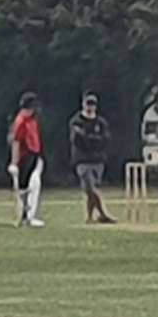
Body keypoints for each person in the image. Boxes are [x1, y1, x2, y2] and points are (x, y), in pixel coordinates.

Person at [69, 92, 116, 225]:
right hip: (82, 160)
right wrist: (92, 140)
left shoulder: (101, 122)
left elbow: (105, 140)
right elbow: (78, 141)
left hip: (98, 160)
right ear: (83, 104)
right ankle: (103, 213)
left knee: (92, 188)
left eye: (93, 104)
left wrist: (87, 137)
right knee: (89, 187)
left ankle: (90, 217)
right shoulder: (76, 121)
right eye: (88, 104)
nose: (90, 107)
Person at [10, 91, 45, 228]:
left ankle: (30, 215)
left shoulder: (32, 120)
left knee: (35, 185)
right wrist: (14, 162)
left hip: (34, 155)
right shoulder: (21, 121)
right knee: (25, 188)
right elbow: (16, 142)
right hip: (25, 156)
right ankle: (25, 216)